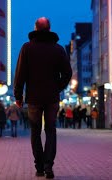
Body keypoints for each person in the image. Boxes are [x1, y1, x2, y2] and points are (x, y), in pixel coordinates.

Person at [13, 17, 72, 179]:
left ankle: (39, 166)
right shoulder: (58, 49)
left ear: (35, 28)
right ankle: (49, 167)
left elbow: (20, 74)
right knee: (51, 131)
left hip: (33, 98)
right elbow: (67, 73)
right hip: (52, 98)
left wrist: (18, 96)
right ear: (49, 29)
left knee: (35, 131)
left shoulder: (27, 48)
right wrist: (57, 87)